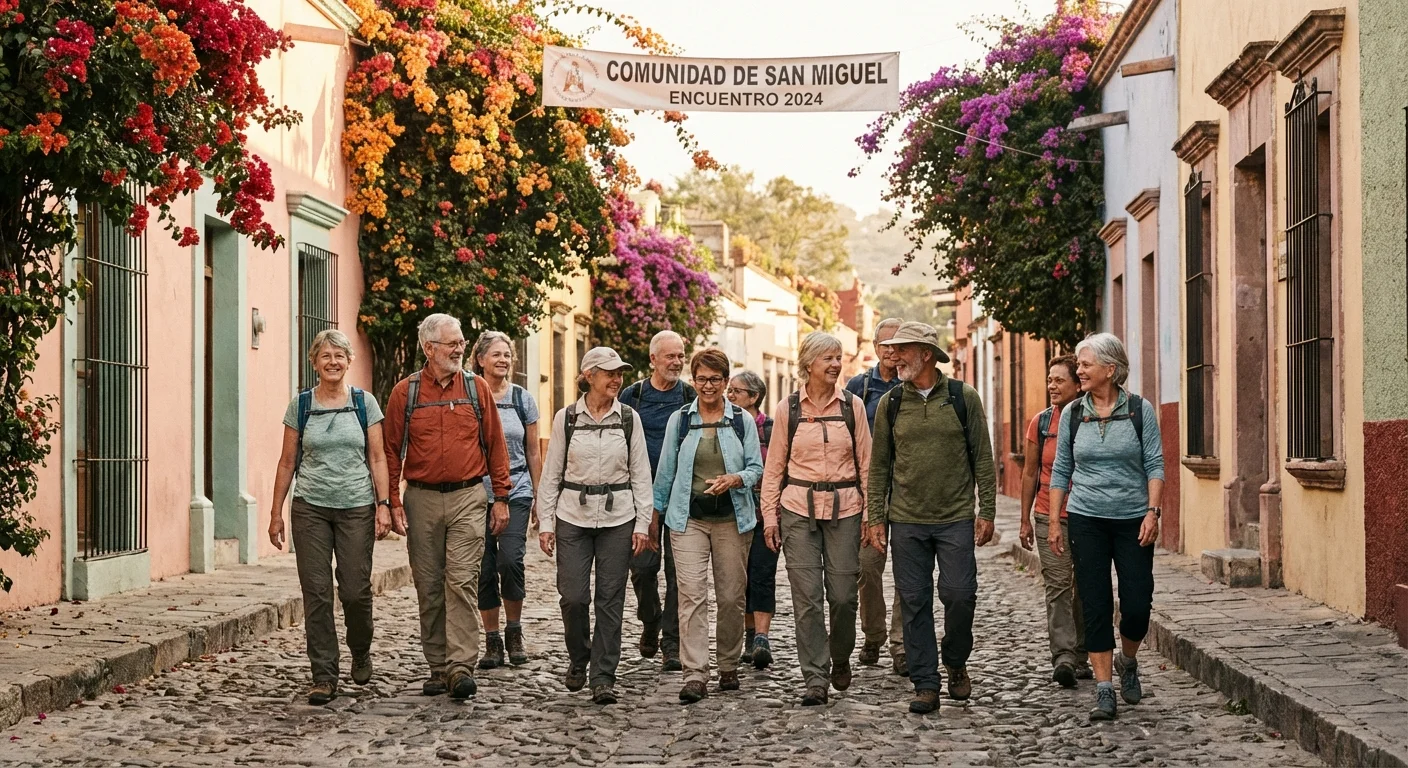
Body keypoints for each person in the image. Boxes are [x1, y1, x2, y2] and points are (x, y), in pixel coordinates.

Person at [867, 321, 997, 716]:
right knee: (914, 601)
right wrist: (876, 517)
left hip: (955, 517)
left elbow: (983, 457)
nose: (895, 356)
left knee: (959, 595)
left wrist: (987, 510)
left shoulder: (962, 397)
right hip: (906, 520)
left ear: (925, 354)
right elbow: (879, 467)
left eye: (903, 349)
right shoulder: (890, 404)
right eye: (892, 349)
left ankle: (955, 660)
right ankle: (926, 683)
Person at [383, 314, 513, 701]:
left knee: (460, 580)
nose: (460, 349)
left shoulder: (476, 389)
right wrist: (392, 501)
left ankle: (460, 667)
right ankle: (437, 667)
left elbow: (495, 445)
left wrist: (501, 497)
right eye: (451, 343)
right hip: (420, 498)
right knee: (428, 582)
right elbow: (390, 451)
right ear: (429, 348)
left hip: (468, 497)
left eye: (461, 342)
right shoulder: (404, 393)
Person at [268, 329, 392, 706]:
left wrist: (383, 504)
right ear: (314, 363)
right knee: (317, 593)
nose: (333, 362)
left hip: (356, 505)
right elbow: (288, 460)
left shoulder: (364, 402)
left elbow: (377, 457)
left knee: (355, 590)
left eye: (339, 356)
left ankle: (360, 648)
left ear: (349, 360)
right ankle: (323, 675)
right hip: (310, 506)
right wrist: (276, 513)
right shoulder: (301, 406)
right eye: (325, 356)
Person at [1047, 333, 1164, 722]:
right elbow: (1062, 468)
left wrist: (1152, 512)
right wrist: (1054, 522)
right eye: (1078, 365)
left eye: (1085, 364)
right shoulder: (1073, 414)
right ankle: (1103, 689)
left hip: (1133, 519)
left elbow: (1155, 464)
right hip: (1086, 518)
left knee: (1136, 604)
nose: (1078, 370)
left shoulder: (1139, 410)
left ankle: (1127, 661)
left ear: (1110, 370)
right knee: (1095, 603)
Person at [760, 331, 872, 707]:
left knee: (843, 597)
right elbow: (774, 466)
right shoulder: (788, 408)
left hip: (846, 508)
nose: (836, 365)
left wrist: (873, 517)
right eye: (828, 358)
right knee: (807, 599)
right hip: (797, 510)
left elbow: (867, 465)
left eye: (839, 357)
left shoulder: (852, 406)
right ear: (808, 364)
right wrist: (770, 518)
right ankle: (815, 678)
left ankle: (840, 656)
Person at [538, 346, 654, 705]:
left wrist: (642, 523)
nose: (617, 379)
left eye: (620, 373)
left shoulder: (629, 418)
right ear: (589, 376)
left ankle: (603, 675)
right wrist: (545, 522)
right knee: (573, 597)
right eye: (609, 373)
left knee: (610, 600)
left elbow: (641, 474)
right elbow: (552, 472)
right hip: (572, 515)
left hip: (619, 517)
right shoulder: (567, 418)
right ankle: (579, 656)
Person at [653, 348, 765, 703]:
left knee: (731, 596)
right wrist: (652, 518)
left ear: (726, 381)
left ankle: (728, 664)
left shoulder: (742, 421)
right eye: (701, 379)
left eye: (715, 379)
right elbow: (666, 472)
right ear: (693, 380)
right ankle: (696, 673)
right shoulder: (681, 420)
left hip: (733, 519)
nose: (708, 386)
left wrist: (734, 479)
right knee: (691, 596)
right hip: (688, 519)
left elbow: (756, 468)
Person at [619, 330, 695, 671]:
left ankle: (671, 643)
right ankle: (650, 618)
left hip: (682, 495)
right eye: (670, 356)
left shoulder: (691, 396)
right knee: (643, 569)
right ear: (653, 360)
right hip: (641, 497)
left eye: (680, 356)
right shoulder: (632, 396)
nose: (677, 362)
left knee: (680, 572)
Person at [469, 331, 541, 669]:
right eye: (496, 354)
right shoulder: (470, 395)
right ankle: (493, 640)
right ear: (480, 359)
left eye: (507, 355)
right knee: (484, 568)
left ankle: (514, 630)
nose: (503, 360)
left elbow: (533, 451)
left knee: (510, 560)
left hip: (517, 488)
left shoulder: (522, 399)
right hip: (474, 492)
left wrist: (540, 495)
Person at [1018, 355, 1091, 688]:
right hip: (1049, 515)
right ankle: (1063, 657)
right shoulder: (1042, 423)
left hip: (1088, 515)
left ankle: (1081, 654)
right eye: (1049, 380)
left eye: (1059, 380)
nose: (1051, 385)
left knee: (1086, 588)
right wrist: (1024, 520)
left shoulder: (1092, 419)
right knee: (1059, 586)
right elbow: (1030, 472)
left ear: (1077, 385)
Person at [844, 317, 906, 675]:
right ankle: (874, 633)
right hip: (870, 487)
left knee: (908, 571)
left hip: (910, 487)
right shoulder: (859, 386)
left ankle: (901, 645)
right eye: (885, 344)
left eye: (898, 344)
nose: (891, 350)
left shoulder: (914, 382)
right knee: (867, 567)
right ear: (875, 347)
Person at [728, 370, 777, 669]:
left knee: (762, 573)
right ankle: (748, 636)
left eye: (736, 391)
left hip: (766, 513)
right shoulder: (726, 425)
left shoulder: (772, 428)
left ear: (754, 396)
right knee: (738, 578)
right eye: (729, 390)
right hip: (732, 512)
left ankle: (761, 637)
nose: (729, 395)